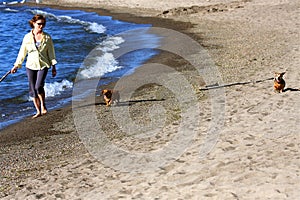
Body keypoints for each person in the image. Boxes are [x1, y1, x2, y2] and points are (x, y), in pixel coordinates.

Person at [11, 14, 57, 118]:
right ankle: (38, 111)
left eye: (43, 24)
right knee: (32, 89)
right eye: (39, 24)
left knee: (38, 86)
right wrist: (16, 65)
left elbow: (51, 53)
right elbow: (22, 53)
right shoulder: (27, 37)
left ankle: (44, 106)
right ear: (33, 23)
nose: (41, 26)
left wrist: (54, 66)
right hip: (30, 65)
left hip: (43, 65)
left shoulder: (47, 37)